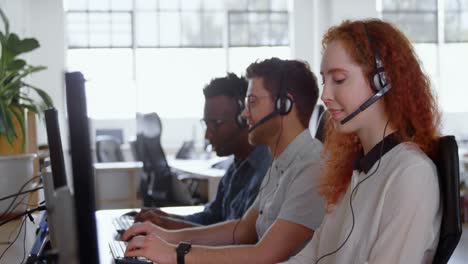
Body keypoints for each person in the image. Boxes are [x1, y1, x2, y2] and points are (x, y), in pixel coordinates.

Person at [122, 58, 325, 263]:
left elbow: (262, 254)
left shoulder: (311, 167)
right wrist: (164, 237)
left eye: (252, 102)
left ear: (284, 105)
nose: (245, 114)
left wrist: (175, 254)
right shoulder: (279, 164)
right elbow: (242, 230)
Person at [283, 19, 441, 264]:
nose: (325, 95)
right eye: (325, 80)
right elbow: (312, 254)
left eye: (339, 79)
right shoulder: (354, 171)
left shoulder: (410, 174)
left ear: (382, 81)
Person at [134, 73, 272, 229]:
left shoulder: (266, 171)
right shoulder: (236, 166)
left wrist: (168, 225)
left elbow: (237, 239)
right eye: (206, 124)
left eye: (216, 124)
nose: (208, 135)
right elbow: (211, 218)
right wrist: (166, 219)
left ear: (244, 118)